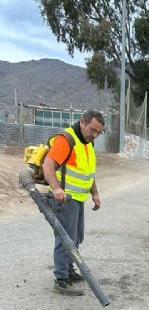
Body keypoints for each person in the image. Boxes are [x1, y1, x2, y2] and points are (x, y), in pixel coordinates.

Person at [43, 110, 105, 296]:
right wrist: (56, 189)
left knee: (76, 238)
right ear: (82, 122)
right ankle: (60, 278)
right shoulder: (66, 139)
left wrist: (95, 193)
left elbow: (88, 171)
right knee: (65, 239)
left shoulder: (87, 142)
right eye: (92, 130)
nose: (94, 135)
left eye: (98, 132)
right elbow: (48, 164)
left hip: (79, 198)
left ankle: (69, 271)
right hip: (64, 199)